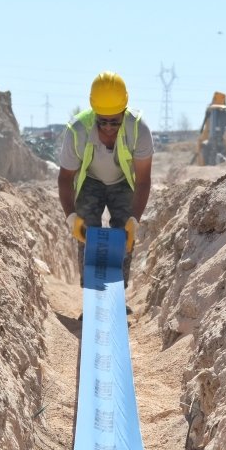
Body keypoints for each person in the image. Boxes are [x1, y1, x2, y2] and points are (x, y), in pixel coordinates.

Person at [58, 71, 154, 294]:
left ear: (124, 111)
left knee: (124, 236)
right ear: (94, 111)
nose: (109, 127)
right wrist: (72, 217)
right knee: (87, 234)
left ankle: (117, 293)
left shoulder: (139, 130)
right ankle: (91, 295)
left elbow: (143, 181)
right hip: (90, 181)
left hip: (123, 182)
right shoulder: (77, 131)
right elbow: (65, 178)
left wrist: (134, 220)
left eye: (114, 121)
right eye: (103, 121)